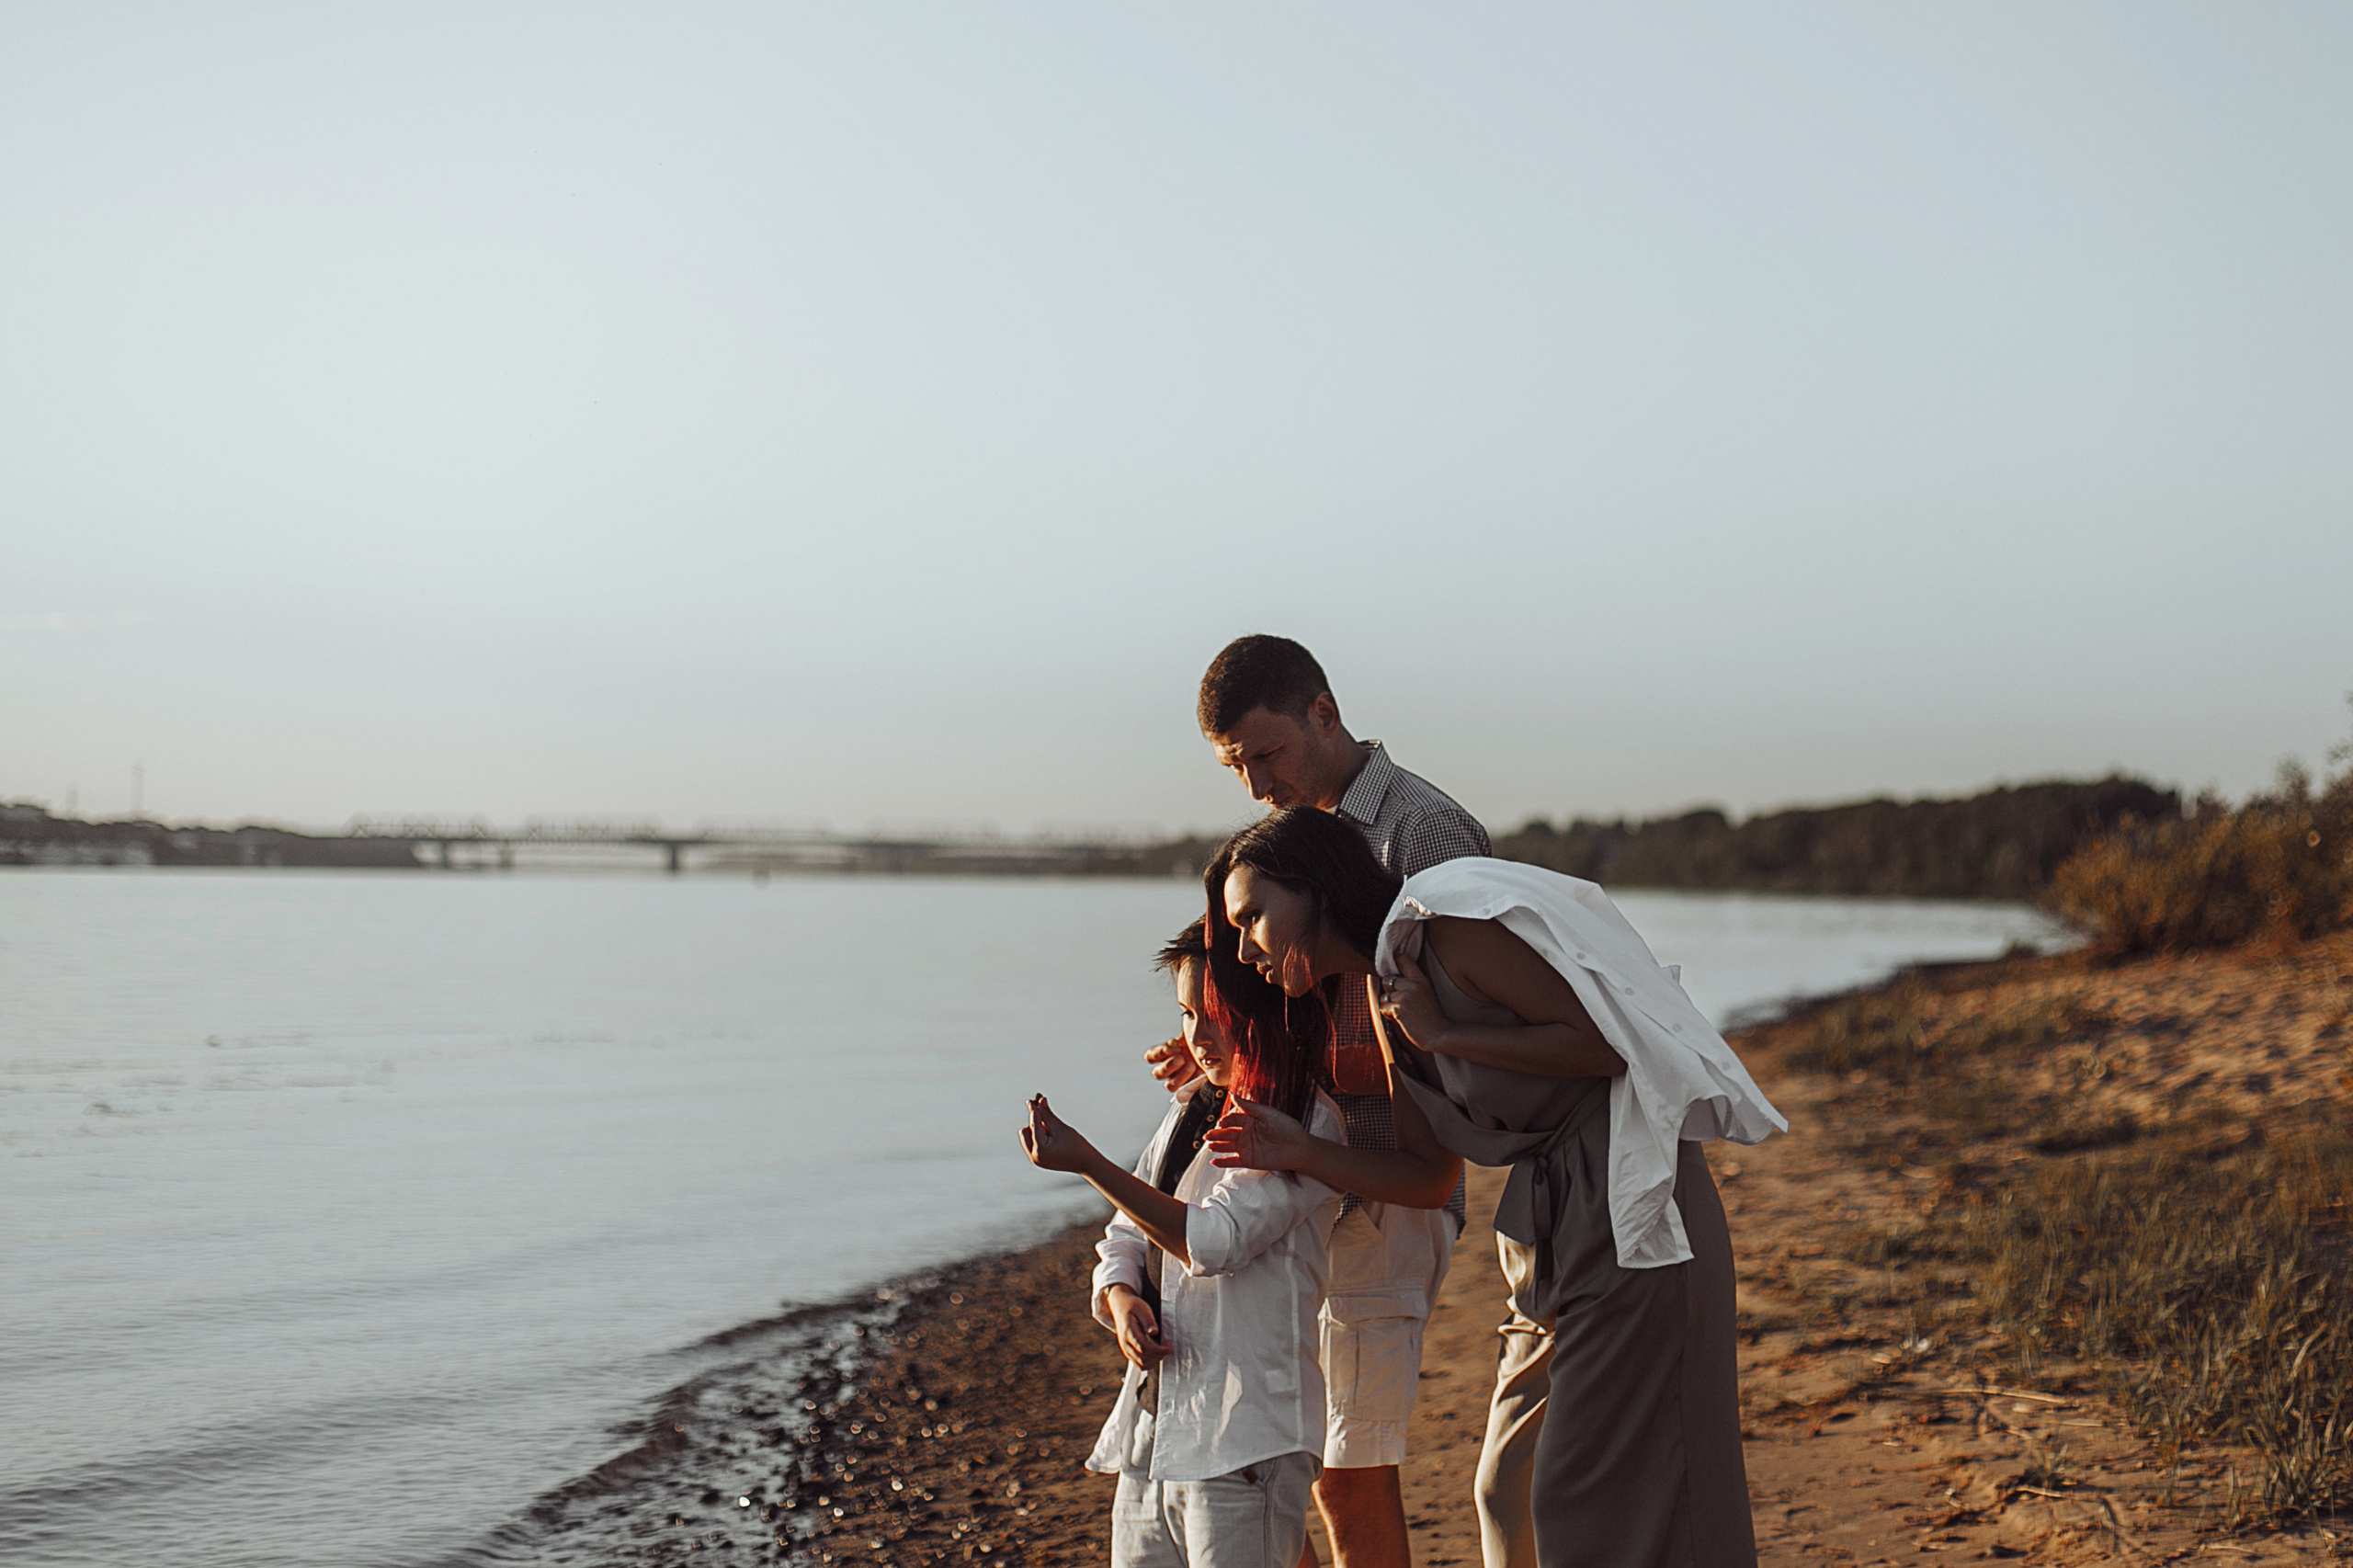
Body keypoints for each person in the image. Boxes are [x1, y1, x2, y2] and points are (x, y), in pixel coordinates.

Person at [1201, 808, 1785, 1568]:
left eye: (1252, 918)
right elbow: (1426, 1171)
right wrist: (1302, 1150)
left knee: (1581, 1493)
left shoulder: (1444, 930)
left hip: (1628, 1211)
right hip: (1552, 1237)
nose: (1246, 950)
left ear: (1310, 888)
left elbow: (1608, 1043)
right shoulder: (1387, 990)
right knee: (1507, 1484)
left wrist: (1446, 1036)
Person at [1144, 634, 1483, 1568]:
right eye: (1235, 764)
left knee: (1345, 1464)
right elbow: (1300, 994)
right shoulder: (1285, 846)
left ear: (1323, 714)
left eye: (1267, 753)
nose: (1254, 783)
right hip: (1298, 1184)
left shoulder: (1422, 832)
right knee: (1276, 1449)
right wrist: (1223, 1041)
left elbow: (1448, 1043)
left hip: (1384, 1184)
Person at [1020, 918, 1346, 1568]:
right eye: (1186, 1013)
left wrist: (1089, 1161)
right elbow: (1124, 1233)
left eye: (1214, 1014)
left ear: (1268, 1009)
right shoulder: (1194, 1105)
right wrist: (1119, 1300)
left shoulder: (1308, 1122)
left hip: (1246, 1438)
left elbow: (1215, 1240)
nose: (1197, 1035)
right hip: (1154, 1428)